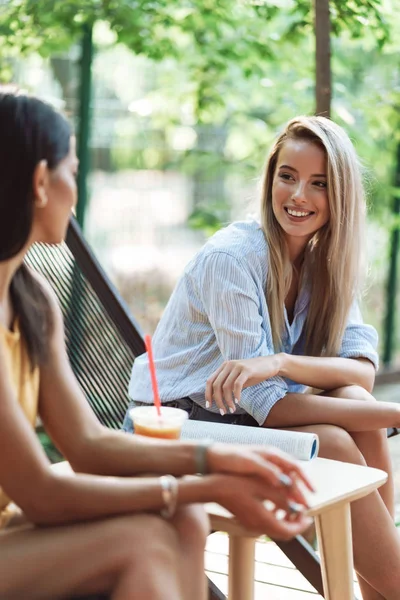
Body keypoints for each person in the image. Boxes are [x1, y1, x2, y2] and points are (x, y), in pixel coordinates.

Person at [0, 87, 313, 600]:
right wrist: (206, 485)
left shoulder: (32, 301)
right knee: (142, 541)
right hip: (18, 526)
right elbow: (42, 493)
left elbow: (87, 444)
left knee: (185, 517)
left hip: (12, 531)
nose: (75, 191)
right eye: (73, 172)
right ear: (40, 182)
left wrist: (217, 462)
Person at [124, 115, 400, 599]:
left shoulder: (325, 262)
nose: (298, 196)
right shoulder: (232, 259)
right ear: (271, 176)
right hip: (175, 428)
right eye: (287, 176)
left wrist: (281, 363)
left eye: (319, 184)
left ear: (341, 197)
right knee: (334, 441)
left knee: (355, 402)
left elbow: (361, 369)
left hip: (242, 420)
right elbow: (271, 407)